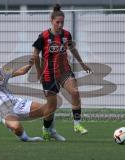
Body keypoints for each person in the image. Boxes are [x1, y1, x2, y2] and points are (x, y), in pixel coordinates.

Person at [32, 4, 93, 141]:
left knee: (75, 92)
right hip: (49, 74)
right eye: (57, 22)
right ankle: (46, 129)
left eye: (62, 22)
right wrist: (39, 71)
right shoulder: (43, 36)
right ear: (51, 21)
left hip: (64, 71)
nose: (60, 25)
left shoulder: (66, 35)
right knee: (52, 107)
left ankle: (77, 124)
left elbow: (72, 49)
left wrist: (82, 64)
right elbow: (35, 55)